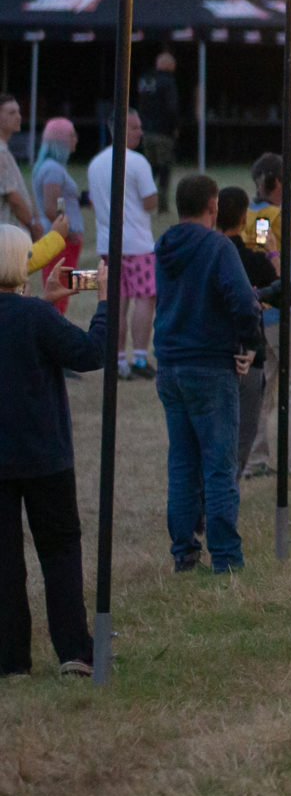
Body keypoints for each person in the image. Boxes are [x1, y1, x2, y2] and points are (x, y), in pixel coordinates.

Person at [0, 227, 106, 677]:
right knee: (60, 552)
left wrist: (44, 302)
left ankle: (10, 661)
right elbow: (89, 353)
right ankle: (73, 652)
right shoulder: (35, 318)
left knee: (3, 561)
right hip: (45, 455)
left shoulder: (33, 315)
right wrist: (104, 303)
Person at [153, 175, 263, 574]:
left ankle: (184, 550)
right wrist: (249, 344)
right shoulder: (218, 247)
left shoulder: (164, 246)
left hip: (170, 364)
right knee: (219, 464)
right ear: (213, 205)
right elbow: (244, 303)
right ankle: (226, 555)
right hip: (210, 364)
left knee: (182, 461)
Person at [87, 109, 159, 378]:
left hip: (109, 244)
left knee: (116, 302)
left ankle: (117, 360)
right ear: (118, 129)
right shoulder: (138, 162)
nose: (140, 132)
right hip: (138, 243)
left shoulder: (96, 164)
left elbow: (94, 202)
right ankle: (139, 358)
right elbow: (151, 201)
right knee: (144, 299)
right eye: (134, 128)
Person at [215, 187, 279, 479]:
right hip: (247, 355)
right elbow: (282, 291)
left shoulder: (207, 254)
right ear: (243, 218)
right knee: (242, 432)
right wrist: (273, 255)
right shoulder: (254, 261)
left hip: (209, 352)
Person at [29, 117, 83, 303]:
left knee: (59, 289)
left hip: (59, 236)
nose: (76, 139)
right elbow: (52, 208)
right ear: (59, 141)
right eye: (71, 135)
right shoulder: (53, 169)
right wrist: (69, 231)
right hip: (62, 238)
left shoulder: (49, 167)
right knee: (59, 291)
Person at [134, 50, 180, 209]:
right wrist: (174, 127)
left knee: (150, 169)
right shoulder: (168, 82)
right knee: (164, 168)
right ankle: (162, 205)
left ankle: (143, 200)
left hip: (146, 131)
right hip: (163, 133)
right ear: (168, 65)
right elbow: (171, 107)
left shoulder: (146, 80)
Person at [0, 94, 30, 229]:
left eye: (18, 112)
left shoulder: (4, 150)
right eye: (12, 113)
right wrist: (32, 224)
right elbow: (13, 197)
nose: (18, 117)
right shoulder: (1, 153)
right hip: (8, 238)